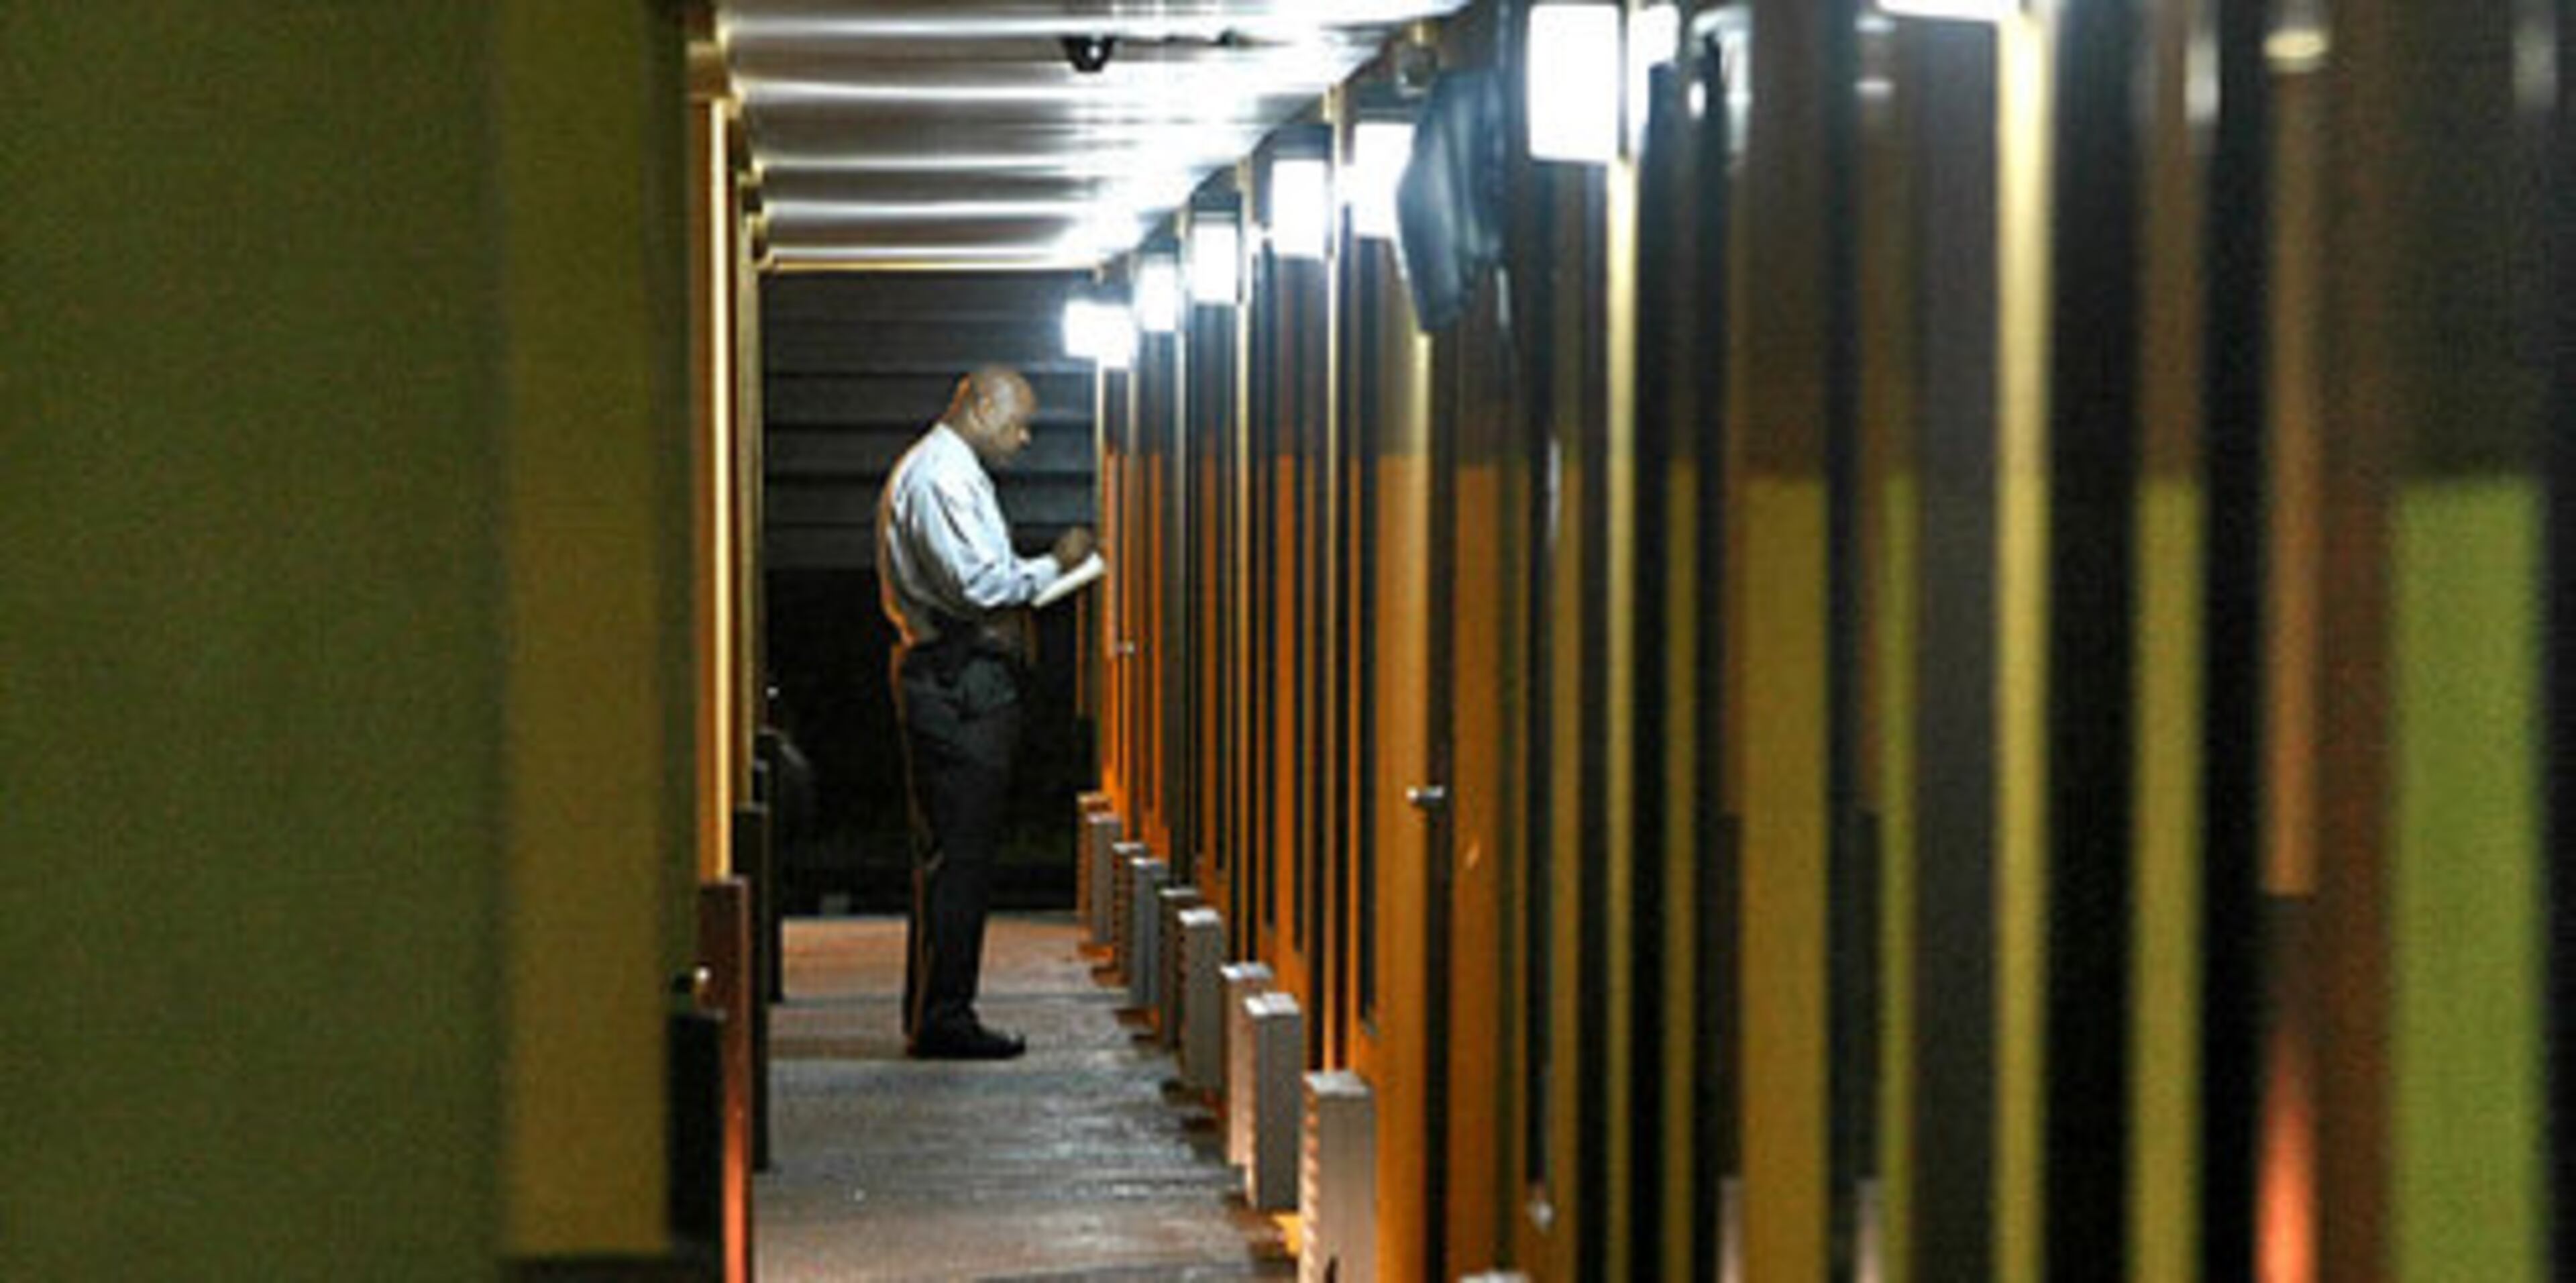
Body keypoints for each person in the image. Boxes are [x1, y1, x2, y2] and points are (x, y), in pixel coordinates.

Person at [877, 365, 1095, 1060]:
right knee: (961, 853)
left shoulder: (940, 468)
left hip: (949, 674)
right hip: (957, 678)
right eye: (1018, 421)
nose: (1025, 437)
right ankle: (945, 1016)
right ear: (979, 404)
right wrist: (1056, 566)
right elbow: (978, 584)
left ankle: (935, 1007)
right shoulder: (943, 475)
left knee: (948, 853)